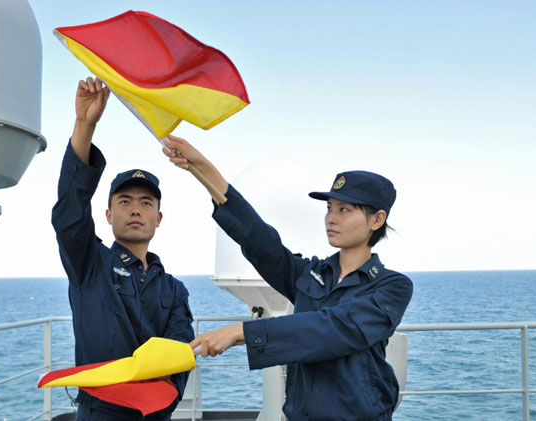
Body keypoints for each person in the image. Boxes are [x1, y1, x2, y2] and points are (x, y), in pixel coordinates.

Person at [163, 136, 413, 421]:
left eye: (344, 210)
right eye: (329, 208)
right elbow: (259, 241)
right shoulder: (311, 275)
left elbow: (336, 328)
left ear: (377, 220)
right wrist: (203, 169)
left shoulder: (392, 287)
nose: (331, 218)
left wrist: (242, 333)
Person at [51, 78, 195, 420]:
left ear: (159, 218)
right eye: (125, 200)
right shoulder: (89, 263)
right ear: (108, 214)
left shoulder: (174, 289)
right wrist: (85, 125)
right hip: (99, 413)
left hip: (155, 413)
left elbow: (179, 353)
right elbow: (70, 210)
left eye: (146, 203)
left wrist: (165, 402)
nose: (135, 209)